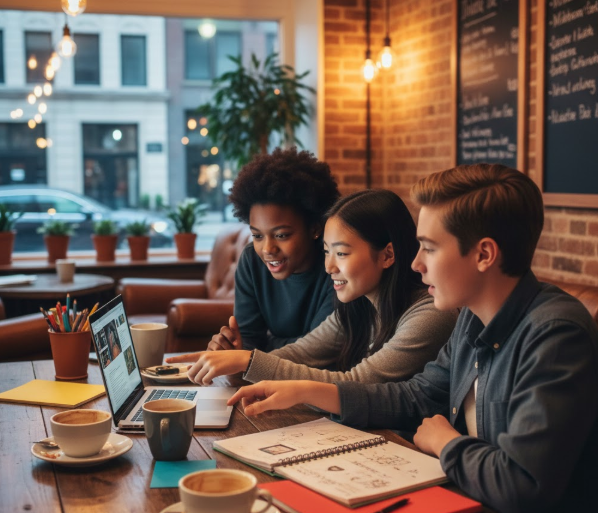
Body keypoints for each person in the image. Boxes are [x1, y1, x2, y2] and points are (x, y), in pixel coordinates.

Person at [227, 164, 598, 513]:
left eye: (430, 248)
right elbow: (416, 395)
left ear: (484, 254)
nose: (416, 263)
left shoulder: (555, 334)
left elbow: (522, 484)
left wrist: (446, 443)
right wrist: (308, 390)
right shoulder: (473, 317)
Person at [169, 189, 456, 386]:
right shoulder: (358, 308)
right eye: (327, 252)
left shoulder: (429, 314)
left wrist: (247, 361)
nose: (329, 267)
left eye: (341, 253)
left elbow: (356, 384)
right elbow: (298, 354)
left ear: (388, 255)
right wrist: (235, 363)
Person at [167, 147, 340, 360]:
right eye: (257, 236)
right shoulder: (251, 261)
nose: (268, 249)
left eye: (282, 235)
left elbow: (318, 352)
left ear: (314, 228)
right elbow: (249, 341)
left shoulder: (336, 267)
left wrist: (261, 349)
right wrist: (235, 350)